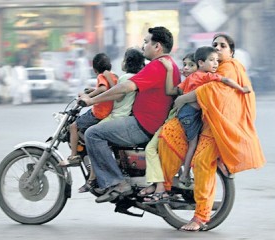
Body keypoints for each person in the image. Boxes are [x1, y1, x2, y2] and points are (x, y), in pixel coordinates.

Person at [158, 34, 266, 231]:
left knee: (201, 162)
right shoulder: (213, 66)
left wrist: (183, 99)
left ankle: (200, 217)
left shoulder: (231, 67)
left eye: (222, 45)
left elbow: (213, 90)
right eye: (214, 45)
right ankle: (163, 186)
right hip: (206, 121)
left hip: (219, 127)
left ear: (231, 51)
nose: (217, 48)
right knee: (168, 134)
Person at [79, 26, 180, 203]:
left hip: (143, 125)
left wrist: (92, 100)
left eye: (146, 42)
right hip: (150, 122)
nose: (144, 46)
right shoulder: (168, 64)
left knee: (93, 133)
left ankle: (116, 182)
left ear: (157, 46)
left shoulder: (157, 66)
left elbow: (126, 87)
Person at [160, 46, 251, 190]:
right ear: (201, 63)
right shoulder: (206, 76)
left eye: (216, 60)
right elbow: (225, 80)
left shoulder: (191, 77)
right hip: (190, 114)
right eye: (212, 60)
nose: (215, 64)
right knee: (193, 144)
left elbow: (172, 91)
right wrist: (241, 89)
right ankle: (185, 175)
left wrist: (171, 72)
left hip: (185, 113)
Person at [78, 47, 145, 193]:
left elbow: (117, 94)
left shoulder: (125, 78)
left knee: (91, 135)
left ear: (127, 62)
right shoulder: (134, 76)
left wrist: (91, 99)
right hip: (123, 116)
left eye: (123, 59)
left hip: (117, 116)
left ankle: (98, 179)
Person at [138, 53, 198, 199]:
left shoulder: (198, 83)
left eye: (191, 65)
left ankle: (160, 186)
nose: (186, 68)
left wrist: (182, 100)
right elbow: (170, 91)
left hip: (177, 126)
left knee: (152, 149)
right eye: (185, 64)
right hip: (172, 122)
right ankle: (155, 184)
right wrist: (170, 70)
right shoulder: (187, 83)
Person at [58, 53, 118, 167]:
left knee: (73, 126)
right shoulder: (113, 76)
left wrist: (88, 97)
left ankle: (73, 156)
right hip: (107, 113)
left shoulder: (101, 76)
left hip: (98, 113)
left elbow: (103, 88)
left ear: (95, 69)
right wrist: (92, 90)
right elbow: (107, 89)